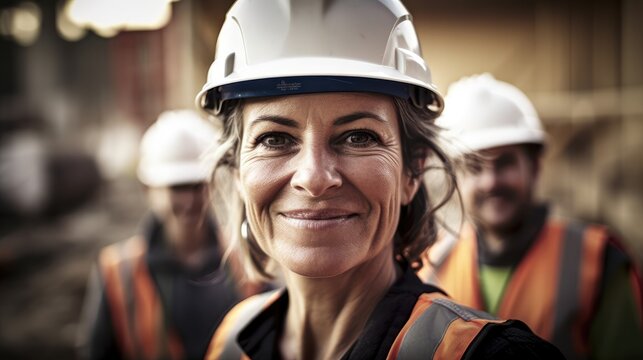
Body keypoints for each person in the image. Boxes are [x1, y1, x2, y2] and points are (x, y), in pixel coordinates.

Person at [196, 1, 564, 359]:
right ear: (238, 172)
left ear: (412, 170)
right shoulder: (230, 342)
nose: (314, 178)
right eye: (274, 139)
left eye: (359, 136)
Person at [419, 73, 643, 359]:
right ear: (456, 177)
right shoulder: (433, 267)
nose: (491, 182)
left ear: (535, 167)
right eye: (475, 167)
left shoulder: (598, 261)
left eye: (506, 163)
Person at [77, 110, 258, 360]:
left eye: (197, 186)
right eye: (176, 188)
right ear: (147, 189)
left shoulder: (246, 258)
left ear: (212, 184)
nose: (189, 201)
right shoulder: (118, 271)